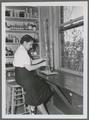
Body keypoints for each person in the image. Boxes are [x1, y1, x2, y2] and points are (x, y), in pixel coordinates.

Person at [13, 34, 53, 114]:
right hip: (23, 77)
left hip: (21, 76)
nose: (31, 46)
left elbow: (30, 62)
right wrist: (42, 64)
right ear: (24, 42)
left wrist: (41, 59)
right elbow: (29, 68)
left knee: (42, 86)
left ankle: (31, 107)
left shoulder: (22, 50)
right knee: (38, 91)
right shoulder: (22, 52)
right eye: (30, 44)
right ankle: (44, 114)